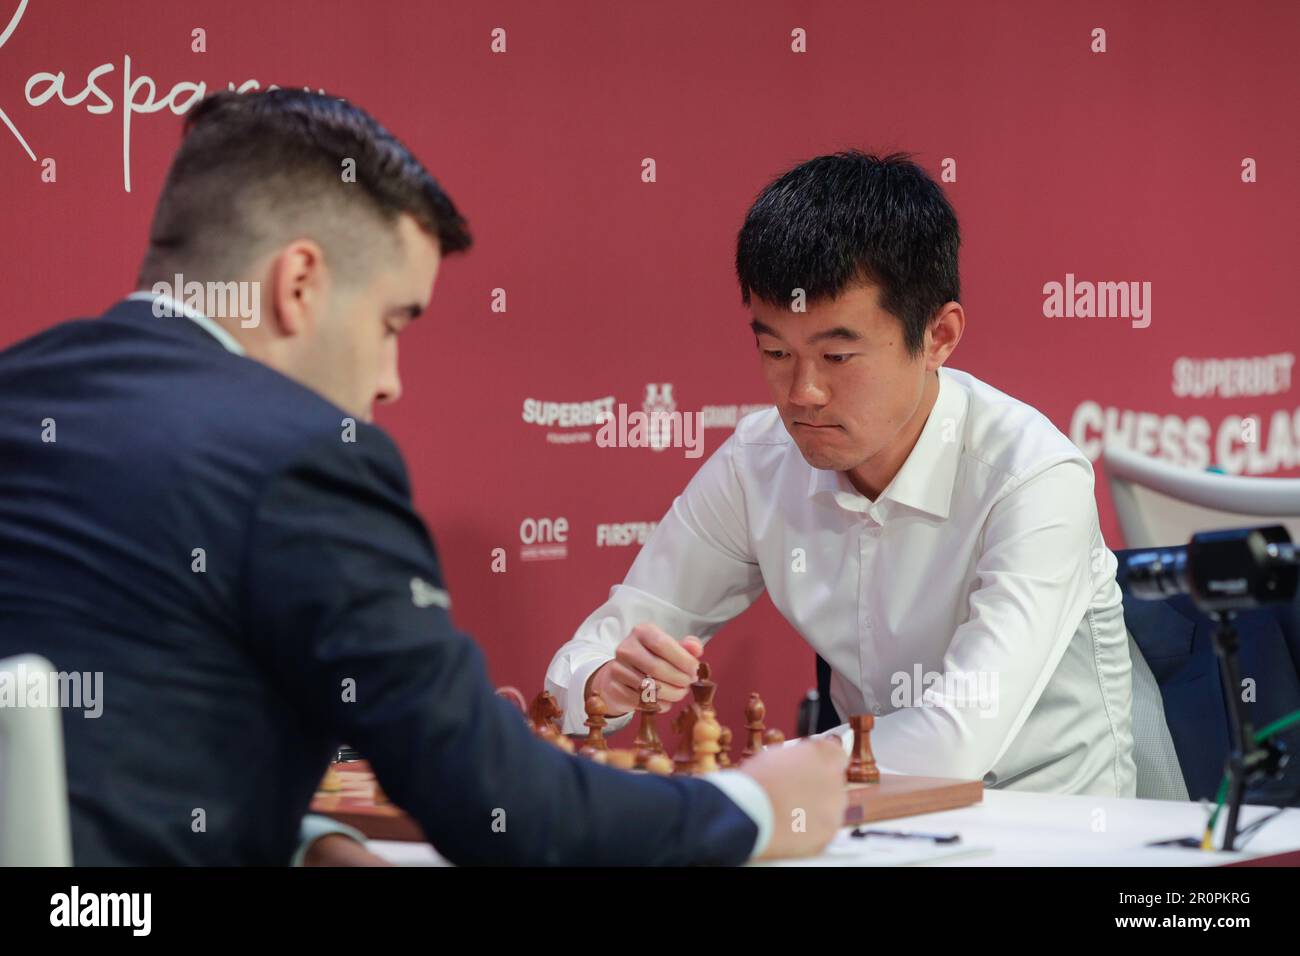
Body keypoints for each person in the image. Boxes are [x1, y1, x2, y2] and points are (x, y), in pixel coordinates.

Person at [0, 89, 847, 866]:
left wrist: (304, 837)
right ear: (298, 285)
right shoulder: (301, 455)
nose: (390, 380)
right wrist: (754, 810)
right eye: (392, 322)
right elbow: (505, 810)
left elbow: (106, 757)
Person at [546, 151, 1136, 799]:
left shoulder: (1031, 475)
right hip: (870, 821)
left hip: (1054, 829)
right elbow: (585, 660)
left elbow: (956, 740)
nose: (803, 393)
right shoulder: (759, 462)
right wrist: (610, 683)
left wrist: (759, 772)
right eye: (775, 352)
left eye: (838, 355)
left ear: (939, 335)